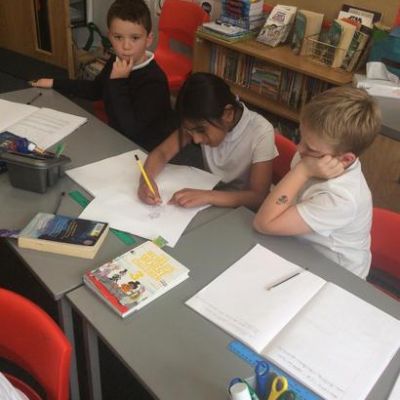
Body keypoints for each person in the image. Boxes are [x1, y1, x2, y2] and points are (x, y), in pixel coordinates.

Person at [253, 87, 381, 278]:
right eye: (301, 137)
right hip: (299, 245)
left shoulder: (341, 198)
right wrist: (304, 168)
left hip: (336, 274)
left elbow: (263, 224)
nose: (299, 148)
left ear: (345, 159)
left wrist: (302, 171)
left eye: (311, 148)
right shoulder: (313, 156)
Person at [31, 0, 174, 151]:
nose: (126, 46)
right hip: (116, 137)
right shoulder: (117, 61)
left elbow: (131, 129)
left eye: (135, 38)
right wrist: (55, 83)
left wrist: (118, 81)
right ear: (110, 36)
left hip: (143, 149)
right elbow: (95, 89)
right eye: (118, 37)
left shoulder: (154, 81)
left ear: (148, 39)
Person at [138, 72, 277, 210]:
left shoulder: (261, 132)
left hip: (242, 210)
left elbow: (258, 197)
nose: (196, 139)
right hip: (210, 195)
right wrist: (146, 180)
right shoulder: (202, 120)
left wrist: (208, 196)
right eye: (189, 131)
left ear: (228, 114)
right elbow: (162, 153)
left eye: (201, 131)